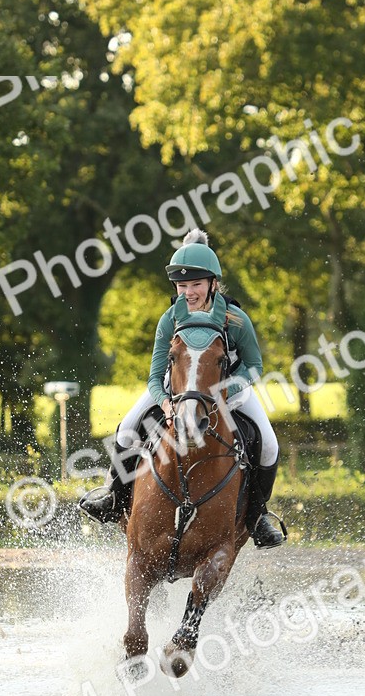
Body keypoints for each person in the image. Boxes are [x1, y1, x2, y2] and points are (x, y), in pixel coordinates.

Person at [79, 229, 285, 548]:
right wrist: (163, 402)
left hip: (228, 392)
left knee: (269, 444)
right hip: (174, 392)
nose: (188, 292)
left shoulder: (235, 319)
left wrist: (229, 389)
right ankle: (113, 496)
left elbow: (254, 365)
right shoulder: (169, 320)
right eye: (182, 285)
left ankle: (257, 517)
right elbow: (154, 374)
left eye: (195, 285)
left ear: (213, 283)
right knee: (127, 430)